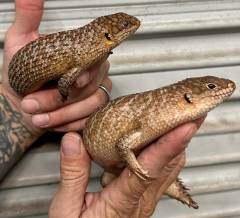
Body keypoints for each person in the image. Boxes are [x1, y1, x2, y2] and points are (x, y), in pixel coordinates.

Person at [0, 0, 205, 217]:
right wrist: (62, 94)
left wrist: (16, 106)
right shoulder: (81, 55)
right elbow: (65, 81)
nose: (132, 27)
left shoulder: (86, 50)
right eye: (124, 29)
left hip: (21, 97)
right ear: (107, 37)